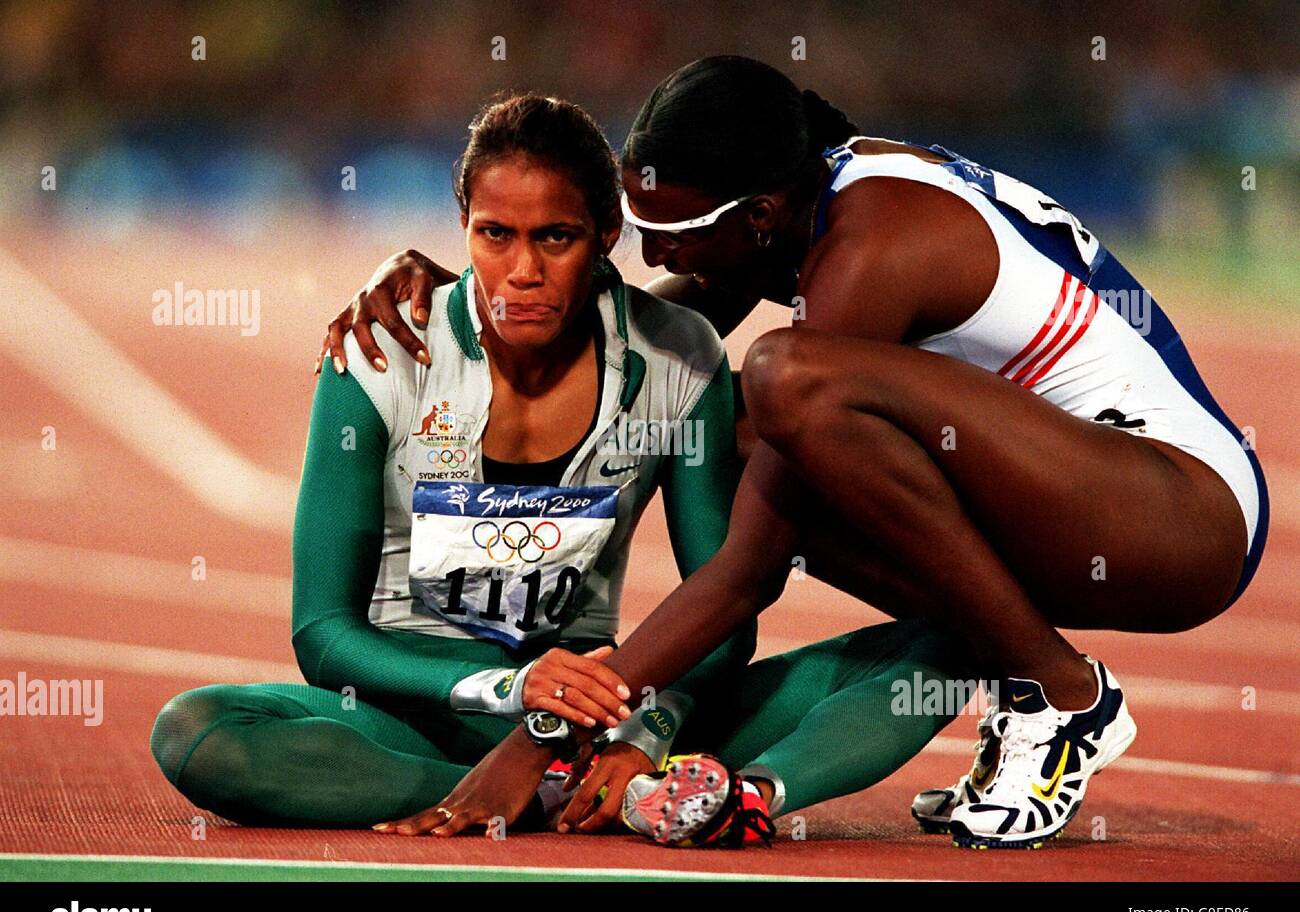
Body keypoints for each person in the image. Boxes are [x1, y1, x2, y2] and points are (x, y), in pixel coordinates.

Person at [326, 56, 1268, 849]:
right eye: (639, 226)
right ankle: (1019, 672)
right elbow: (633, 336)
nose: (658, 254)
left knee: (777, 384)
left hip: (1179, 514)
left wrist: (543, 733)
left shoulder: (871, 242)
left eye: (679, 236)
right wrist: (477, 303)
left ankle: (1061, 697)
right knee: (738, 420)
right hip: (1086, 496)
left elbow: (745, 571)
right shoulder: (794, 209)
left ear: (761, 215)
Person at [150, 92, 974, 841]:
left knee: (943, 646)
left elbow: (722, 605)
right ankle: (576, 797)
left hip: (617, 708)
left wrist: (644, 723)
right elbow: (323, 634)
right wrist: (510, 694)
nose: (523, 272)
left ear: (607, 235)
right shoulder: (380, 355)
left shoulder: (678, 358)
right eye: (494, 235)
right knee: (197, 732)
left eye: (557, 236)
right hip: (422, 718)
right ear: (462, 223)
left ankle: (742, 790)